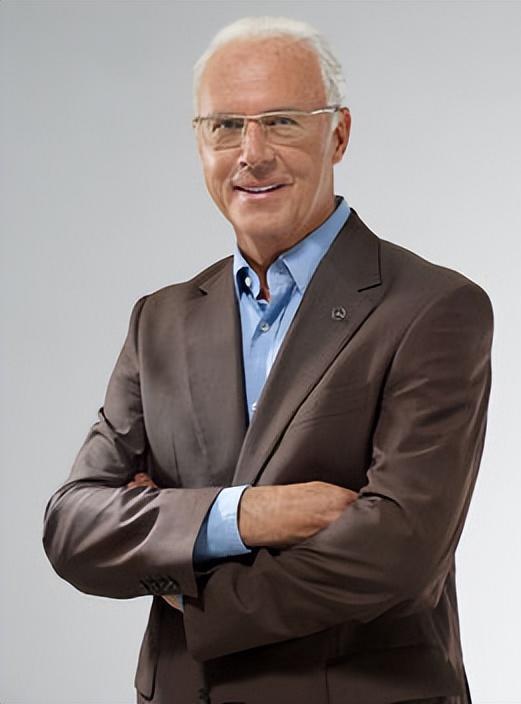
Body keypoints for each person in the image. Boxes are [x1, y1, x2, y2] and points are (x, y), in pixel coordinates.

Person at [42, 16, 493, 704]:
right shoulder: (158, 320)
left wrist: (187, 585)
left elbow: (399, 551)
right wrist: (246, 514)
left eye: (281, 122)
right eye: (226, 126)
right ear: (200, 142)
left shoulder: (433, 308)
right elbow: (74, 525)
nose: (251, 155)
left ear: (338, 134)